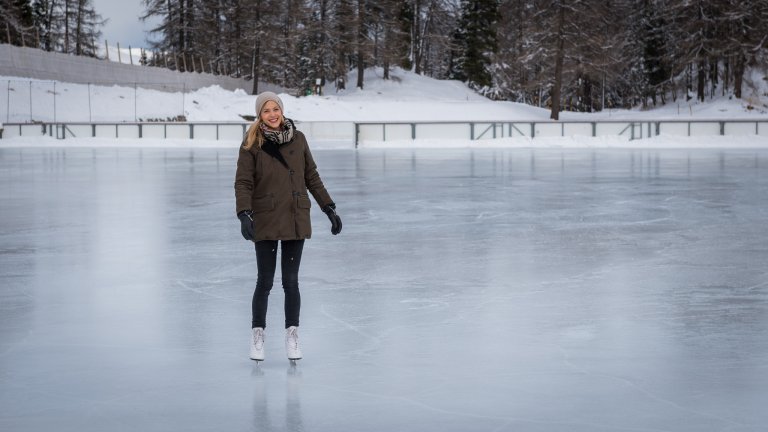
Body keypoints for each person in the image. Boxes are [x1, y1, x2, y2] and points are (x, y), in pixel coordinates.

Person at [234, 91, 342, 362]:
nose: (272, 114)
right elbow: (243, 182)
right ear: (259, 115)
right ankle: (258, 335)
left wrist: (328, 207)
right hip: (266, 216)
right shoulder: (251, 143)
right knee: (265, 282)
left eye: (275, 109)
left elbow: (312, 177)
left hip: (295, 215)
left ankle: (292, 335)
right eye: (266, 110)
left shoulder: (299, 138)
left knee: (291, 282)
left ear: (282, 110)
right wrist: (244, 213)